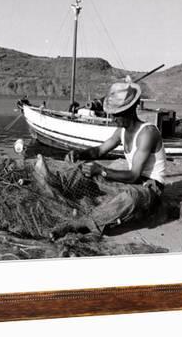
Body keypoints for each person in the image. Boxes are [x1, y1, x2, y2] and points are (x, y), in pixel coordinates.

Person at [57, 78, 167, 236]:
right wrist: (79, 154)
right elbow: (99, 151)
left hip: (150, 188)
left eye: (117, 114)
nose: (113, 118)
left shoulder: (147, 133)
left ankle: (83, 224)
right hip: (133, 182)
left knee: (130, 198)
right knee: (86, 175)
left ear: (129, 111)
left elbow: (134, 174)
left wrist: (102, 170)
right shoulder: (121, 130)